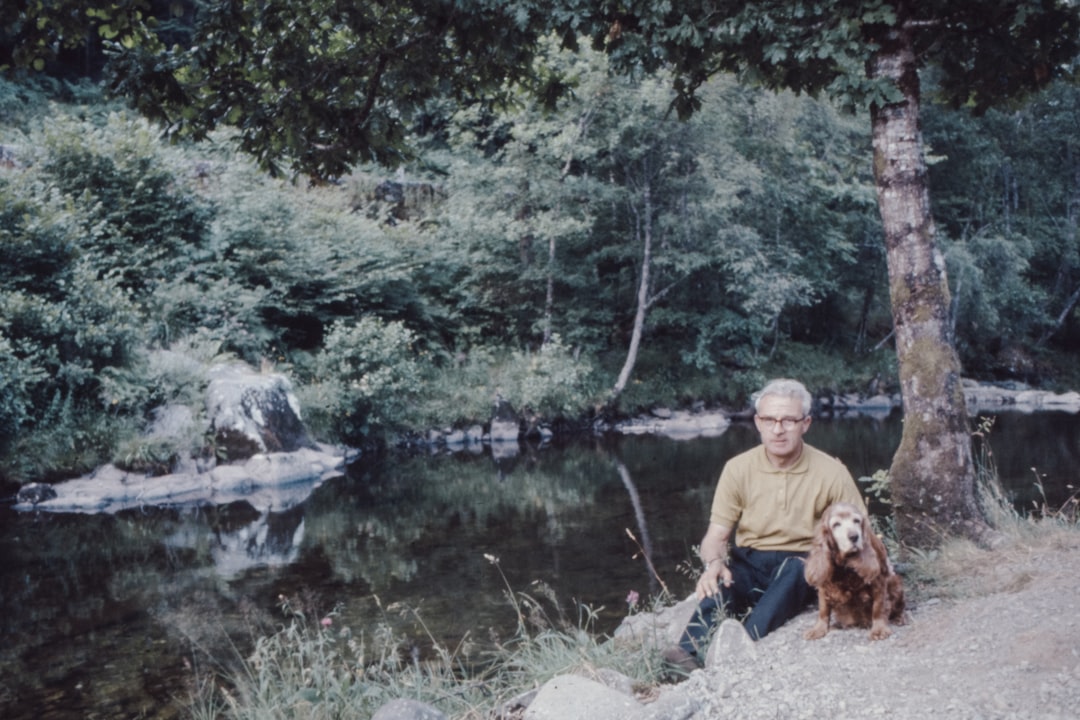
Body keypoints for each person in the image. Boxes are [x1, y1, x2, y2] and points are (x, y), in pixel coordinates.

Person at [662, 378, 866, 672]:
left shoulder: (832, 472)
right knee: (723, 581)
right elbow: (716, 535)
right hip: (750, 561)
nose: (778, 429)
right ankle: (684, 655)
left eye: (789, 420)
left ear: (805, 423)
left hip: (802, 563)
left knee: (797, 570)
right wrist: (714, 563)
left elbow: (858, 536)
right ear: (758, 422)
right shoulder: (738, 468)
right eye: (769, 420)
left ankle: (739, 644)